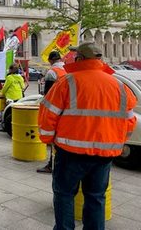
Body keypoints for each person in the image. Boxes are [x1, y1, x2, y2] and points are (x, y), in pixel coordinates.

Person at [38, 41, 137, 230]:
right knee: (96, 197)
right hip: (104, 155)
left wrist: (48, 140)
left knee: (65, 194)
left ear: (80, 59)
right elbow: (129, 121)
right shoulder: (119, 85)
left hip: (70, 153)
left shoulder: (67, 82)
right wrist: (116, 141)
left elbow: (48, 115)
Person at [37, 51, 67, 174]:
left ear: (50, 60)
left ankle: (52, 164)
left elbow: (48, 95)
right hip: (68, 109)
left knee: (54, 139)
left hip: (55, 109)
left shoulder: (51, 72)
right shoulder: (67, 70)